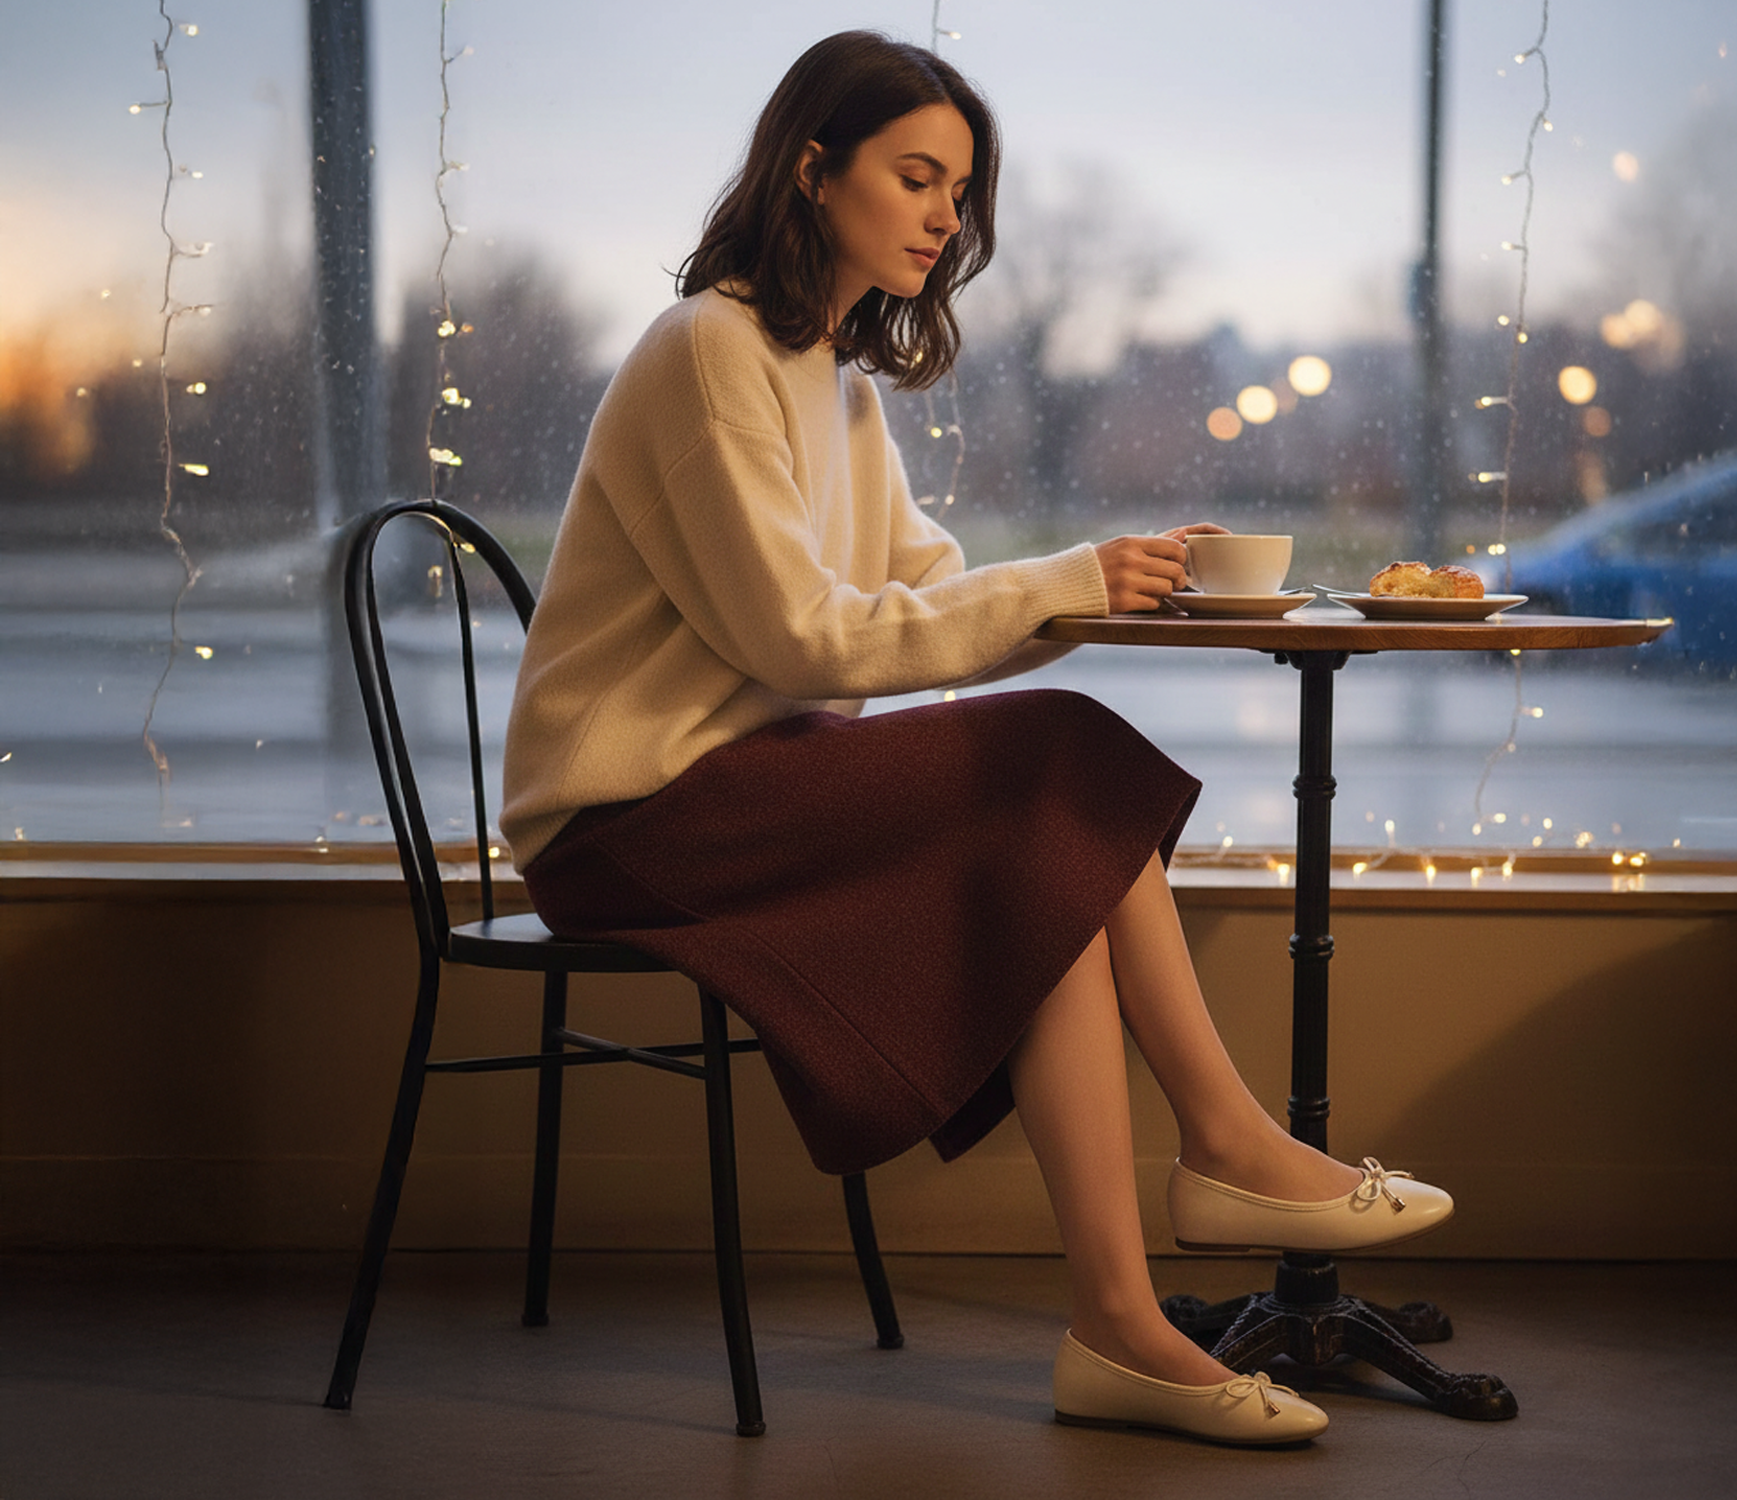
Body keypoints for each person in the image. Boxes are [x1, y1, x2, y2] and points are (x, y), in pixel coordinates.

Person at [500, 30, 1451, 1448]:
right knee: (1058, 763)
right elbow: (804, 642)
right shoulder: (709, 349)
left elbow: (928, 596)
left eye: (959, 190)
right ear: (812, 170)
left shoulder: (835, 381)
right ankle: (1226, 1143)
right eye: (916, 177)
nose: (947, 216)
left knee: (1048, 863)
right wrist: (1068, 586)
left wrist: (1117, 579)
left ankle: (1120, 1327)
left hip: (747, 789)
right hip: (628, 822)